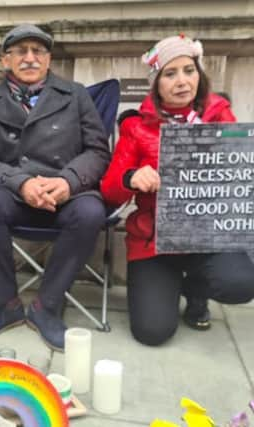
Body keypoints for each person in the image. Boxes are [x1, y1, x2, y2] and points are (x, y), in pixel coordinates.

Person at [0, 24, 111, 351]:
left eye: (38, 51)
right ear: (6, 60)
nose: (30, 58)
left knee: (91, 211)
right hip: (15, 195)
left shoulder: (76, 95)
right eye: (21, 51)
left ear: (48, 59)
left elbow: (98, 151)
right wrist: (22, 182)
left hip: (66, 195)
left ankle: (47, 306)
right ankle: (6, 307)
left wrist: (67, 181)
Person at [100, 34, 254, 346]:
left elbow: (236, 175)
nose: (182, 81)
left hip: (207, 237)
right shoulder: (136, 126)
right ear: (156, 83)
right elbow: (109, 190)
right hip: (153, 242)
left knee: (240, 284)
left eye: (189, 70)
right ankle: (170, 287)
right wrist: (131, 177)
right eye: (170, 74)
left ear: (200, 73)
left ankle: (196, 292)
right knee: (152, 332)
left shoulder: (221, 116)